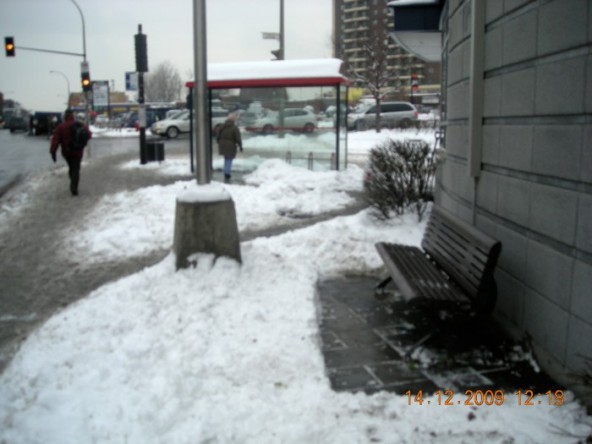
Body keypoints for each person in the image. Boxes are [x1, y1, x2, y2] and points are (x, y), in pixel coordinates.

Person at [49, 109, 92, 196]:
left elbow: (55, 140)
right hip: (78, 151)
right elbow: (89, 135)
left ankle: (73, 184)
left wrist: (53, 152)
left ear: (65, 116)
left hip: (67, 152)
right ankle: (74, 187)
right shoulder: (80, 124)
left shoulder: (61, 127)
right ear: (72, 115)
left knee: (72, 167)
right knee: (76, 168)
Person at [216, 112, 243, 181]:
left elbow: (218, 134)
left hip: (222, 144)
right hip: (230, 144)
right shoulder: (234, 128)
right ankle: (227, 173)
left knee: (226, 158)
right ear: (233, 120)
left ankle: (226, 171)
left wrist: (219, 141)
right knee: (229, 159)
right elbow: (238, 138)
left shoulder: (222, 126)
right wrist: (240, 146)